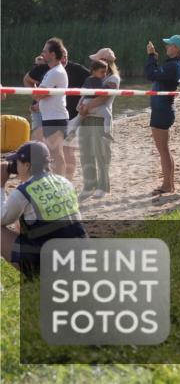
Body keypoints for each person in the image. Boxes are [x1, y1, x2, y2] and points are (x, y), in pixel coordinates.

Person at [1, 142, 86, 276]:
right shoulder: (65, 182)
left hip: (51, 265)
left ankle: (34, 272)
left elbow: (2, 219)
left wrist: (1, 186)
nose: (15, 168)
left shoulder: (24, 191)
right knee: (27, 220)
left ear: (27, 165)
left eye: (17, 163)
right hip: (80, 257)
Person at [24, 42, 88, 180]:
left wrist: (40, 95)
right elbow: (39, 93)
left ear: (52, 54)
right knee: (55, 153)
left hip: (55, 117)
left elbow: (39, 94)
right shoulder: (52, 71)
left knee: (56, 154)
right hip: (51, 116)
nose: (43, 54)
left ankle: (61, 184)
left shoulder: (56, 71)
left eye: (45, 51)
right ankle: (61, 183)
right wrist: (40, 94)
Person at [146, 35, 180, 195]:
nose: (166, 47)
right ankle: (168, 184)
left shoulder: (174, 66)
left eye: (169, 45)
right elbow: (154, 74)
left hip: (163, 110)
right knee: (163, 149)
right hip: (161, 109)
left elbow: (150, 74)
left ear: (177, 48)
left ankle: (168, 185)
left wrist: (150, 56)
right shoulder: (172, 64)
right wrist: (154, 60)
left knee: (163, 150)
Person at [73, 58, 117, 200]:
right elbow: (85, 94)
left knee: (101, 154)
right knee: (86, 153)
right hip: (87, 117)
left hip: (98, 119)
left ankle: (103, 187)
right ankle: (89, 185)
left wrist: (85, 108)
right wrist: (81, 108)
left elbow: (102, 98)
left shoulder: (113, 79)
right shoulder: (92, 78)